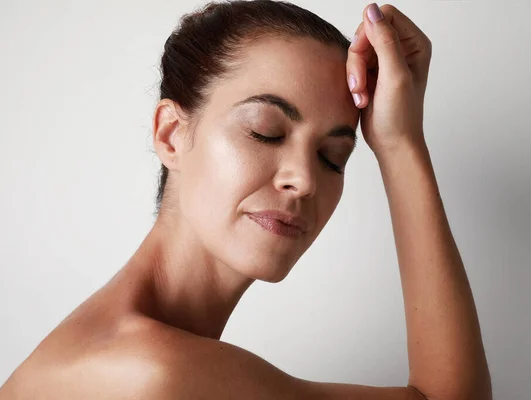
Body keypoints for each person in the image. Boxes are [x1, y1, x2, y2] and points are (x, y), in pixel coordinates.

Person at [0, 1, 492, 399]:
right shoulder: (155, 376)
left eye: (333, 156)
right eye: (265, 132)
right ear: (171, 134)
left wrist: (396, 138)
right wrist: (403, 146)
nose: (304, 179)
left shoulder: (114, 349)